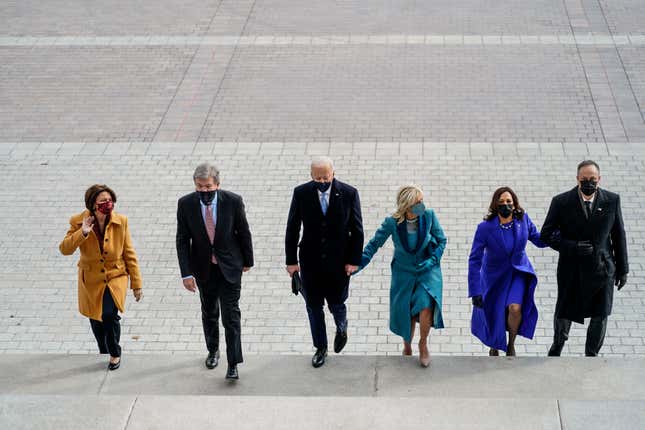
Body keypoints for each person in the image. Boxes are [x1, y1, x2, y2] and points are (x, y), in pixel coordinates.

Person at [541, 160, 628, 357]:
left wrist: (623, 269)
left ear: (599, 179)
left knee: (601, 313)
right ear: (577, 179)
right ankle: (557, 346)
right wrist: (571, 247)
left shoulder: (612, 200)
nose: (589, 184)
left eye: (593, 180)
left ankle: (592, 355)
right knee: (564, 311)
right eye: (584, 180)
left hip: (602, 268)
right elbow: (546, 234)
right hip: (572, 269)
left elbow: (618, 235)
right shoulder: (561, 202)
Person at [176, 163, 253, 380]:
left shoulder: (233, 201)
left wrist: (248, 261)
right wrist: (186, 273)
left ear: (217, 184)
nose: (204, 191)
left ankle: (233, 362)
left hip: (230, 267)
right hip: (203, 269)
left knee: (231, 315)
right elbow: (182, 239)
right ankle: (212, 350)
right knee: (209, 312)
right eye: (200, 187)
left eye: (208, 187)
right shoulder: (186, 204)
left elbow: (243, 231)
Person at [285, 156, 364, 368]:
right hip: (310, 262)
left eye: (325, 177)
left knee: (336, 303)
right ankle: (320, 347)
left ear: (333, 174)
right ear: (311, 176)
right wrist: (291, 261)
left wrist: (353, 260)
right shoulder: (301, 193)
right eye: (317, 178)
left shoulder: (349, 193)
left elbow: (357, 230)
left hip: (338, 263)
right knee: (313, 306)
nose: (322, 181)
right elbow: (292, 228)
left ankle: (341, 325)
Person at [357, 185, 446, 367]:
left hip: (427, 271)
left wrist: (432, 260)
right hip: (403, 273)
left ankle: (423, 344)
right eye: (418, 202)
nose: (422, 204)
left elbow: (442, 240)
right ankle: (407, 345)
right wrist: (357, 265)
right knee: (406, 312)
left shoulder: (428, 216)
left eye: (422, 201)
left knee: (425, 305)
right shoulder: (392, 223)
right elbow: (374, 245)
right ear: (407, 205)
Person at [59, 184, 143, 370]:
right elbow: (65, 249)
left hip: (115, 276)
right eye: (103, 201)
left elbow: (129, 253)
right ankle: (104, 350)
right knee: (96, 321)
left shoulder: (121, 221)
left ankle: (115, 353)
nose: (108, 204)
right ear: (93, 204)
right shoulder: (78, 222)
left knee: (109, 315)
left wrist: (136, 283)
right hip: (91, 280)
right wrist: (83, 232)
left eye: (110, 200)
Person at [468, 187, 547, 356]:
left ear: (514, 203)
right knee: (494, 313)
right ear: (495, 205)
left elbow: (538, 239)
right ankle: (494, 345)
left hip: (517, 272)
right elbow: (474, 259)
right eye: (502, 202)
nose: (506, 205)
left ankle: (511, 344)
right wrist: (475, 290)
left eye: (509, 202)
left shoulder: (523, 220)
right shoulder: (485, 228)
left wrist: (557, 236)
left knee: (514, 308)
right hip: (493, 277)